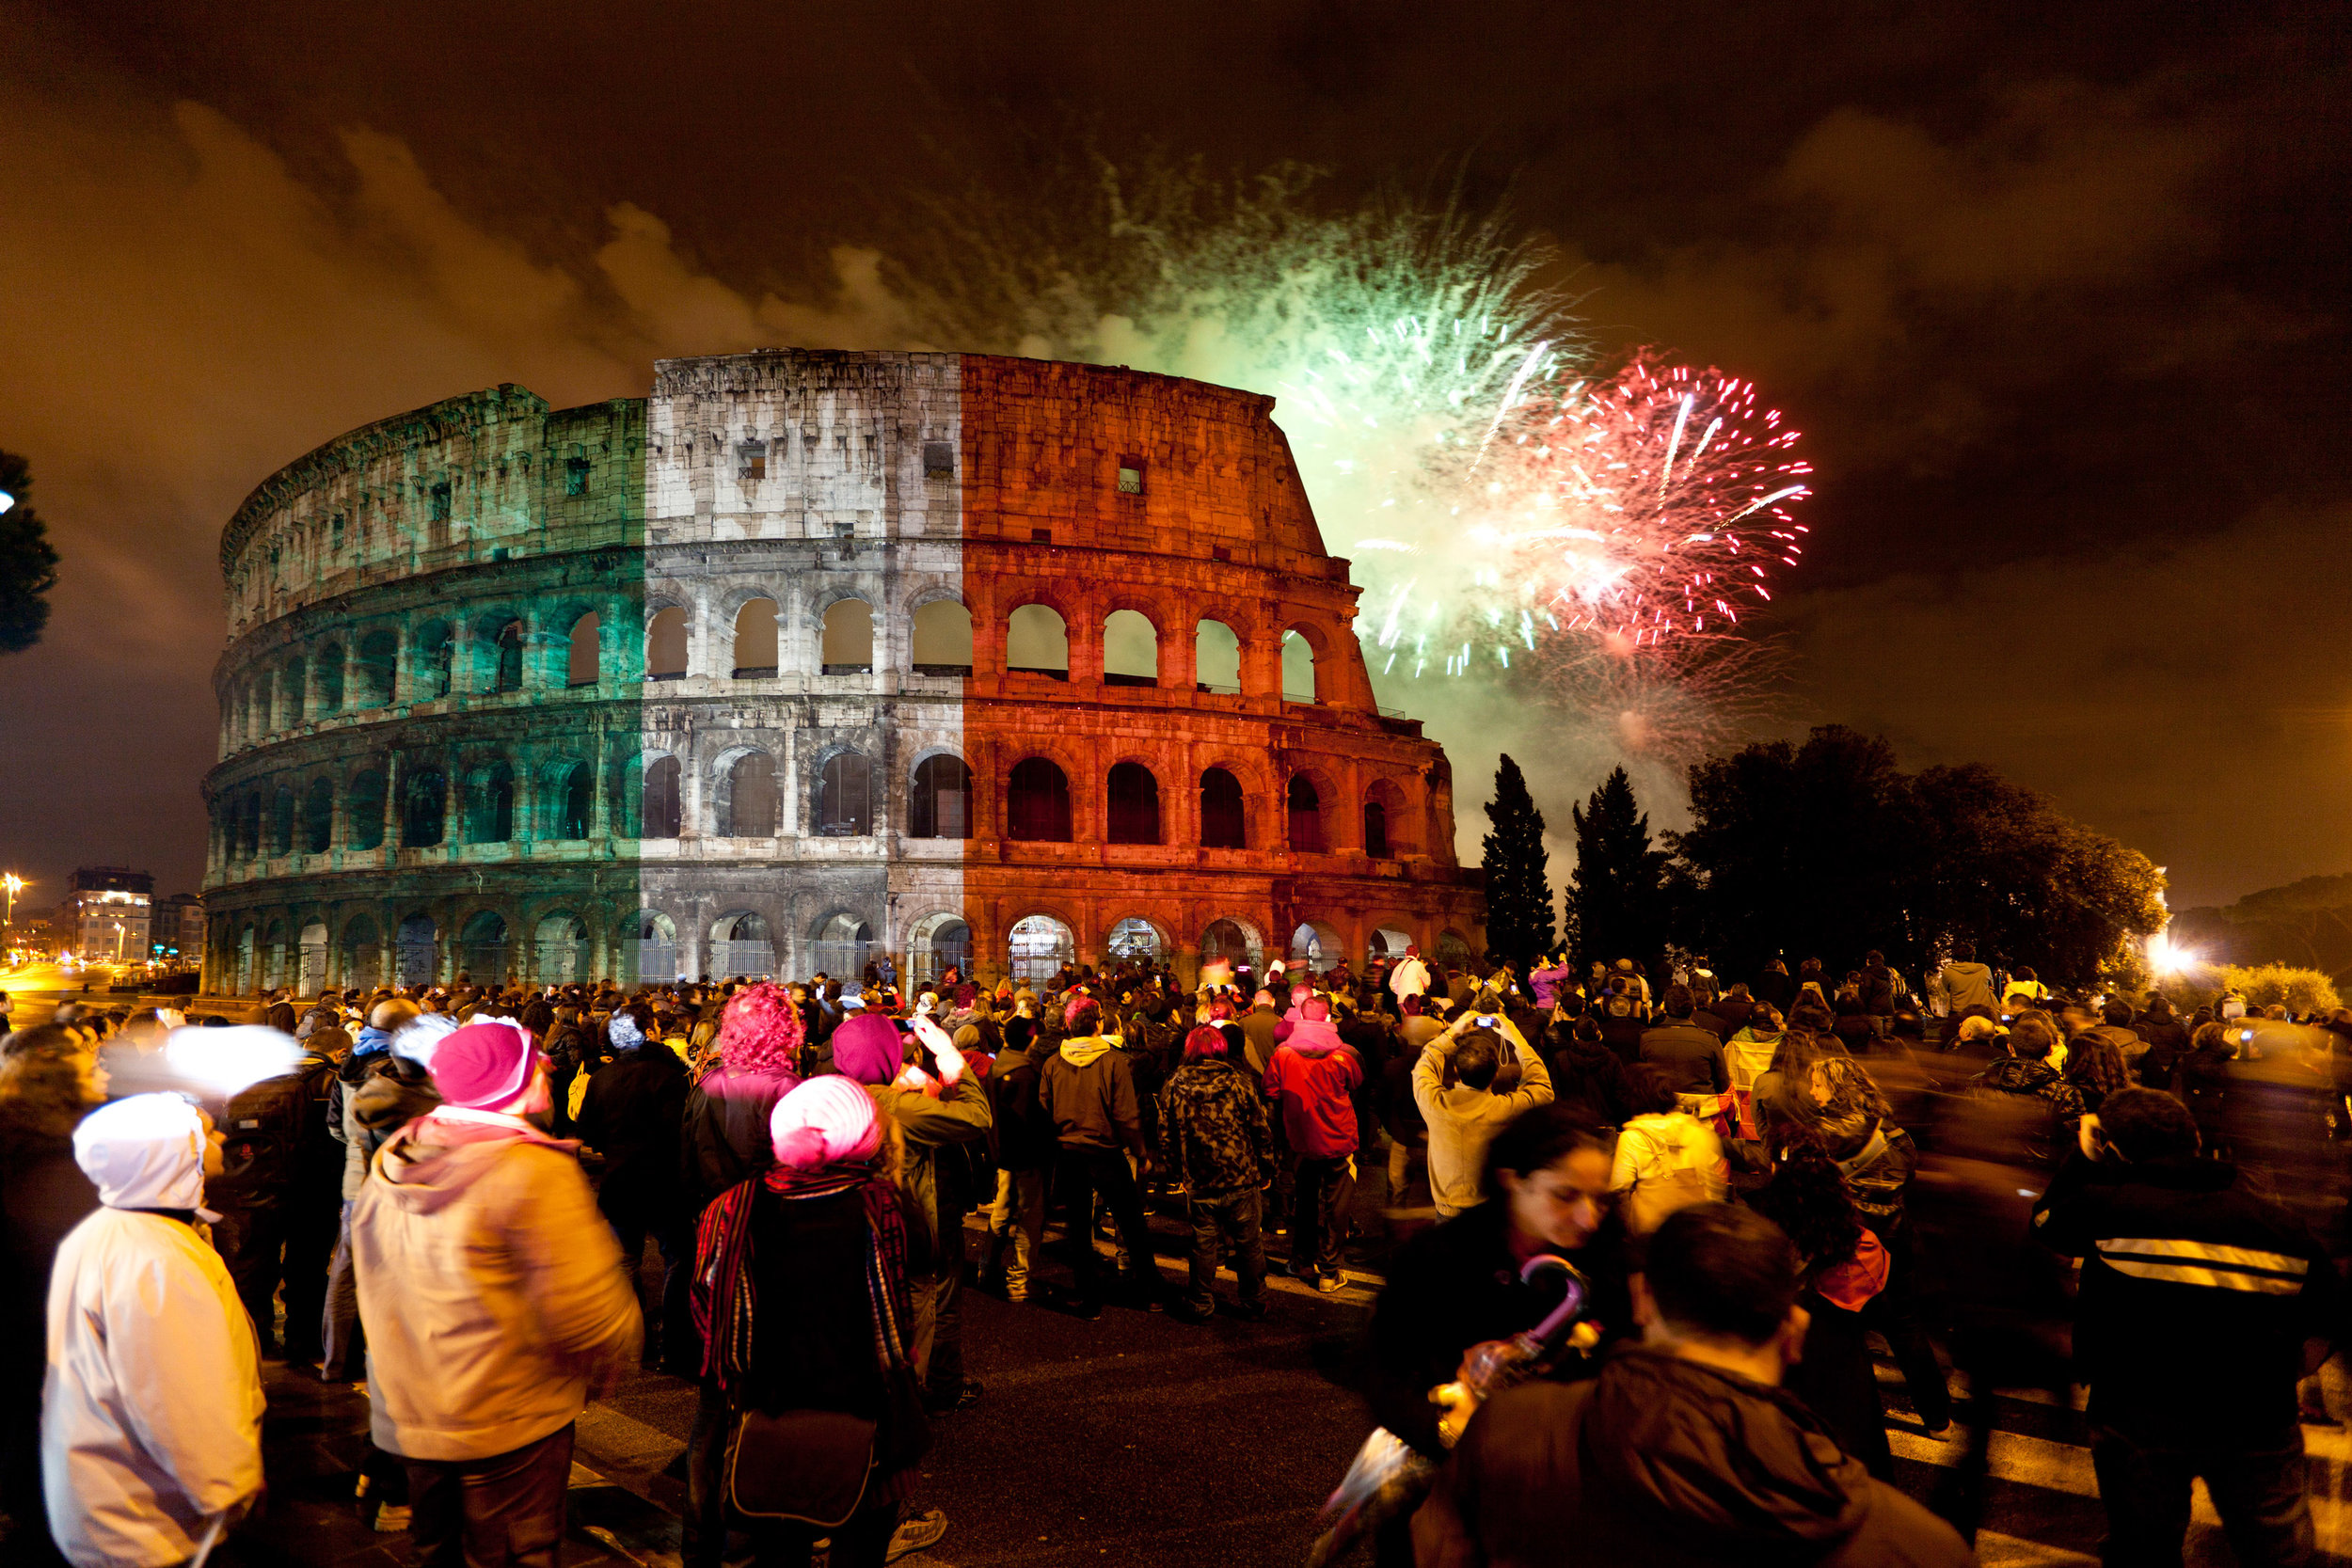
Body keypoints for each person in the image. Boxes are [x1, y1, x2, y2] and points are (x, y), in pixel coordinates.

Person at [1413, 1203, 1972, 1568]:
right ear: (1793, 1332)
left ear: (1643, 1301)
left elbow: (1437, 1548)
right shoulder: (1915, 1545)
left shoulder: (1513, 1429)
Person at [352, 1018, 642, 1568]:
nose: (547, 1074)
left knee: (439, 1552)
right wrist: (608, 1356)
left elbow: (373, 1281)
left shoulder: (395, 1158)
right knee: (512, 1553)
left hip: (413, 1415)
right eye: (536, 1067)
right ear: (515, 1083)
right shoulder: (529, 1169)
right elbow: (584, 1310)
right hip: (507, 1418)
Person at [2034, 1087, 2343, 1566]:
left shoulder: (2107, 1209)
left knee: (2144, 1546)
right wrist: (2289, 1371)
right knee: (2276, 1547)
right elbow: (2328, 1311)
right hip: (2255, 1412)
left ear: (2113, 1148)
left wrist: (2083, 1155)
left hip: (2137, 1408)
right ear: (2196, 1139)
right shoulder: (2277, 1223)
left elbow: (2046, 1224)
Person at [1367, 1103, 1632, 1568]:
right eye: (1565, 1195)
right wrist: (1447, 1432)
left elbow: (1634, 1358)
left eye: (1601, 1198)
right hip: (1454, 1487)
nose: (1589, 1218)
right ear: (1513, 1179)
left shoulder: (1613, 1262)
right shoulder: (1442, 1258)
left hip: (1566, 1493)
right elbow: (1383, 1366)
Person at [691, 1075, 931, 1568]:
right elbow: (908, 1302)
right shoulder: (882, 1203)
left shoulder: (731, 1208)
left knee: (779, 1547)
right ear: (863, 1135)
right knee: (861, 1547)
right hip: (868, 1413)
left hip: (767, 1411)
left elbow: (705, 1304)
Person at [41, 1094, 266, 1568]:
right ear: (168, 1157)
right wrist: (232, 1486)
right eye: (203, 1133)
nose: (220, 1137)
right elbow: (179, 1399)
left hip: (114, 1501)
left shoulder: (115, 1230)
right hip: (146, 1521)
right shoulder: (156, 1259)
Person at [834, 1012, 991, 1412]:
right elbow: (977, 1117)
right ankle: (934, 1388)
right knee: (933, 1303)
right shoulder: (899, 1106)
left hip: (852, 1226)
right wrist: (950, 1057)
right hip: (914, 1223)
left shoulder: (833, 1096)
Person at [1, 1026, 103, 1567]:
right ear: (57, 1087)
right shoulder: (61, 1173)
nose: (101, 1076)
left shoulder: (35, 1149)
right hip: (49, 1356)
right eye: (87, 1071)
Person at [576, 1003, 694, 1372]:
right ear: (651, 1031)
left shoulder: (603, 1078)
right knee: (680, 1258)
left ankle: (635, 1341)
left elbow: (589, 1133)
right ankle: (674, 1343)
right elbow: (684, 1132)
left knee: (625, 1262)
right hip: (664, 1181)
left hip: (620, 1180)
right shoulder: (670, 1076)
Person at [1038, 997, 1160, 1317]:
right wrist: (1140, 1151)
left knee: (1078, 1227)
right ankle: (1149, 1291)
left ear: (1069, 1026)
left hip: (1070, 1151)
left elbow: (1045, 1108)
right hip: (1105, 1151)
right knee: (1131, 1222)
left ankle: (1088, 1297)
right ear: (1098, 1024)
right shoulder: (1115, 1062)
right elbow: (1126, 1115)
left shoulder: (1053, 1063)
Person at [1158, 1024, 1276, 1323]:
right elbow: (1260, 1129)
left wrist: (1176, 1172)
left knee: (1203, 1243)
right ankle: (1254, 1300)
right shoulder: (1239, 1081)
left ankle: (1201, 1301)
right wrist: (1266, 1167)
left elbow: (1165, 1137)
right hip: (1240, 1174)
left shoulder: (1175, 1084)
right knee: (1248, 1243)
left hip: (1199, 1178)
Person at [1262, 995, 1365, 1292]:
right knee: (1336, 1206)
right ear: (1328, 1019)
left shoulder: (1283, 1054)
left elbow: (1270, 1090)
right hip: (1338, 1139)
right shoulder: (1345, 1054)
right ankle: (1329, 1271)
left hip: (1301, 1140)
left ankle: (1300, 1260)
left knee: (1305, 1203)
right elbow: (1357, 1084)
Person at [1413, 1015, 1554, 1218]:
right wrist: (1515, 1037)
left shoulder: (1434, 1103)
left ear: (1456, 1069)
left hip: (1446, 1211)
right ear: (1496, 1072)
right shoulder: (1506, 1108)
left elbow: (1427, 1059)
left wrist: (1452, 1032)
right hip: (1491, 1212)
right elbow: (1542, 1088)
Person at [1608, 1065, 1729, 1234]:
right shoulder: (1695, 1130)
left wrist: (1627, 1227)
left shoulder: (1632, 1138)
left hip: (1653, 1230)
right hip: (1696, 1226)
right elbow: (1714, 1182)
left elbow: (1619, 1189)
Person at [1637, 984, 1729, 1102]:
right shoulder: (1709, 1040)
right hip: (1700, 1112)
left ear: (1664, 1008)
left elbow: (1640, 1079)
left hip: (1659, 1109)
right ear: (1693, 1009)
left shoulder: (1646, 1039)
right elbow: (1724, 1084)